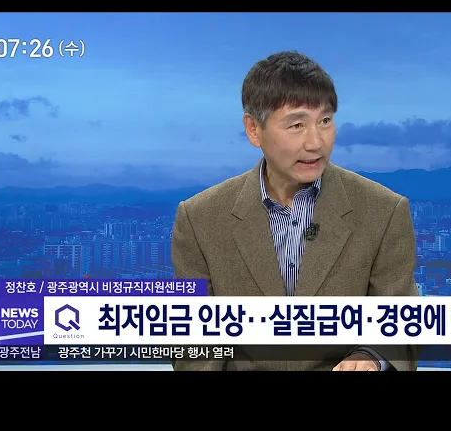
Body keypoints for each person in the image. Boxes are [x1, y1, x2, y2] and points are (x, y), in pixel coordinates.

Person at [171, 51, 420, 371]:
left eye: (325, 121)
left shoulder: (383, 211)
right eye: (297, 124)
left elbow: (403, 326)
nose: (316, 142)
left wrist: (371, 357)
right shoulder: (200, 219)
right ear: (253, 129)